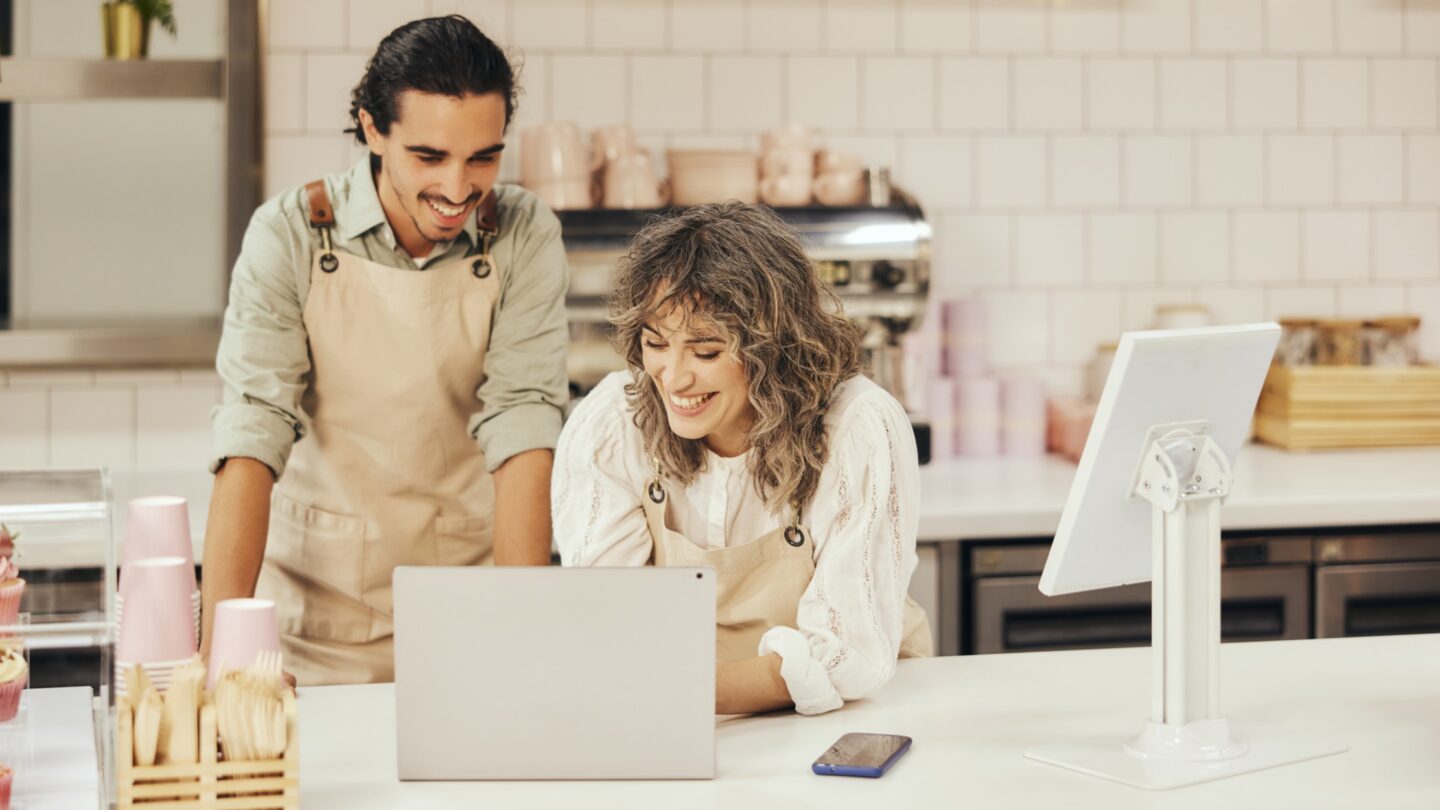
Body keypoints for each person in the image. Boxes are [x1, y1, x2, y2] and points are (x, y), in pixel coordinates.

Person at [201, 16, 567, 685]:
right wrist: (222, 645)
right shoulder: (291, 234)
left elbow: (524, 421)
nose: (459, 189)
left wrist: (524, 629)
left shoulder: (522, 234)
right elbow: (254, 430)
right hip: (317, 621)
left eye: (483, 157)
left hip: (472, 611)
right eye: (430, 156)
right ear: (373, 129)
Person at [552, 202, 931, 716]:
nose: (674, 377)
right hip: (684, 719)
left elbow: (846, 654)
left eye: (706, 352)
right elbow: (607, 620)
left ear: (775, 347)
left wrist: (675, 693)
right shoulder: (614, 423)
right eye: (655, 343)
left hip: (852, 718)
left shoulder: (856, 427)